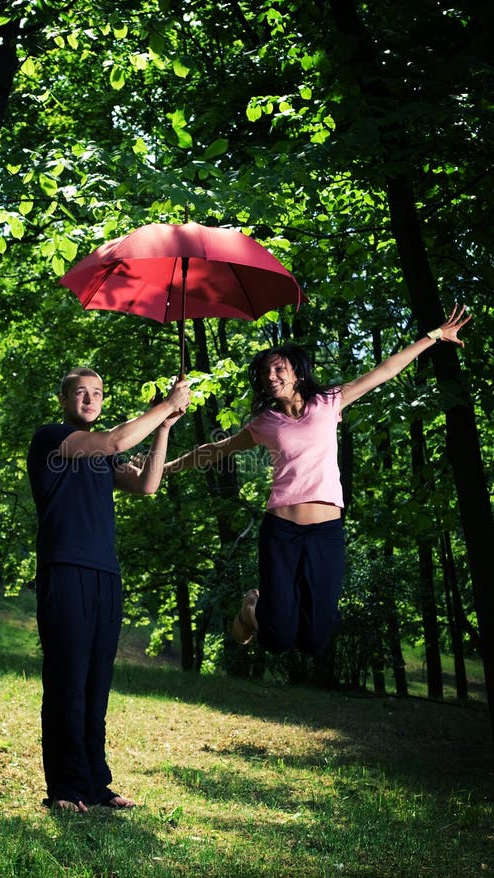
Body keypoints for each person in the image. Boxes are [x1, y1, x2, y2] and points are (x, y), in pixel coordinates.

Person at [164, 305, 471, 658]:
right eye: (265, 372)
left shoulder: (329, 402)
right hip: (281, 531)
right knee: (277, 639)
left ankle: (260, 613)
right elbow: (215, 449)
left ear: (298, 372)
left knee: (315, 641)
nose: (271, 376)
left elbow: (385, 370)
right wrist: (163, 467)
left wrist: (434, 336)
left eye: (279, 368)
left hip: (325, 533)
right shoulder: (265, 422)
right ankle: (251, 609)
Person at [27, 367, 190, 813]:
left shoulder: (101, 457)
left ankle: (96, 785)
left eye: (97, 392)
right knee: (67, 682)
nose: (90, 399)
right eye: (80, 393)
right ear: (64, 400)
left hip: (105, 576)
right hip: (66, 571)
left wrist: (165, 429)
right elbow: (117, 440)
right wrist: (163, 407)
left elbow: (147, 484)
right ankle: (64, 787)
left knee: (96, 685)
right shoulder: (53, 439)